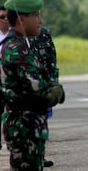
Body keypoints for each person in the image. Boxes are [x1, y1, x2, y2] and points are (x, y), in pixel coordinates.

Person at [0, 0, 65, 171]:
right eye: (36, 15)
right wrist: (57, 91)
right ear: (21, 19)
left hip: (28, 127)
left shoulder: (20, 44)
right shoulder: (17, 49)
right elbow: (38, 88)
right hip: (24, 129)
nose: (40, 20)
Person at [29, 26, 60, 167]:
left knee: (42, 121)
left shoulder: (44, 33)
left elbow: (52, 59)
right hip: (25, 88)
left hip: (43, 85)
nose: (38, 20)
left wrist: (54, 83)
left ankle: (40, 155)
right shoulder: (15, 37)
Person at [0, 5, 9, 156]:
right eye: (2, 17)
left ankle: (13, 144)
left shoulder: (17, 36)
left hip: (11, 81)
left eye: (7, 17)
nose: (5, 20)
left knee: (12, 113)